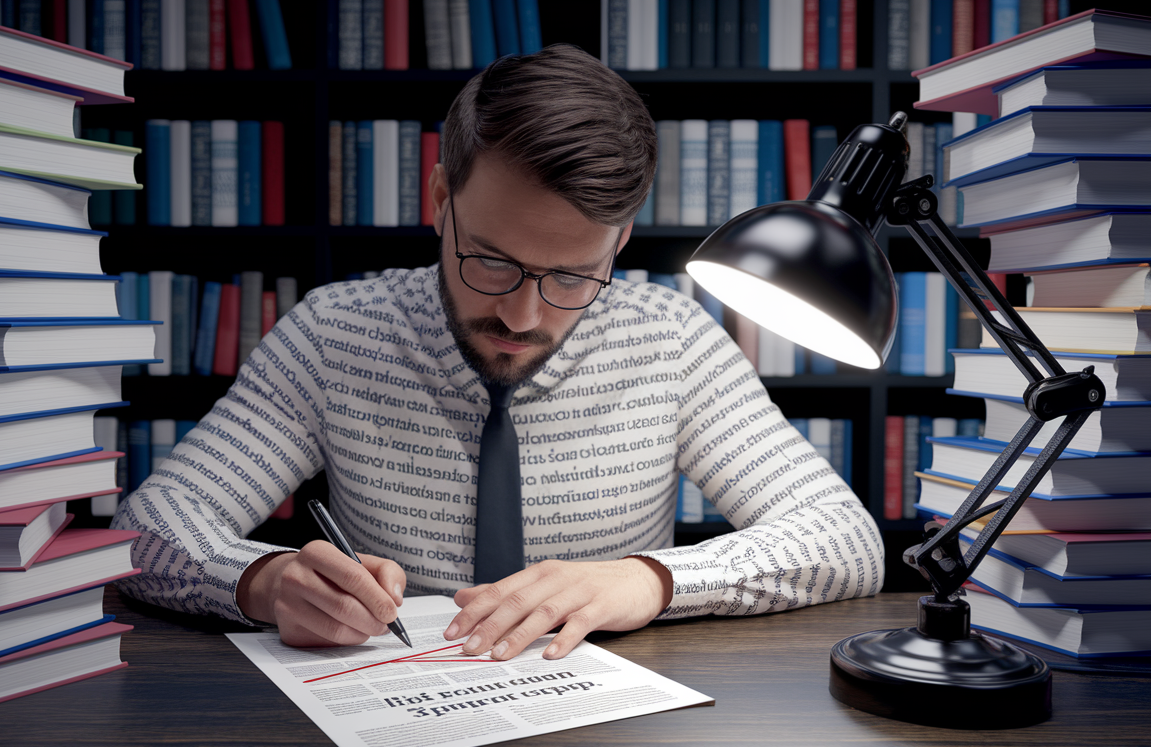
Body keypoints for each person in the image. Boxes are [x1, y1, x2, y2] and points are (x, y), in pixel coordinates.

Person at [112, 44, 883, 662]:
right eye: (491, 261)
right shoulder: (334, 335)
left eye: (573, 276)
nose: (521, 314)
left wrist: (649, 581)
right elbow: (149, 528)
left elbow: (842, 540)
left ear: (619, 242)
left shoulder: (671, 340)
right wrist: (261, 579)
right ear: (440, 199)